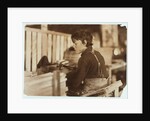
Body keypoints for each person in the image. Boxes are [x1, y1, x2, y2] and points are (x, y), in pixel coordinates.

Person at [66, 30, 109, 96]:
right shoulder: (97, 53)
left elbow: (77, 82)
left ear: (85, 42)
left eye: (76, 43)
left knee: (69, 90)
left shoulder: (84, 58)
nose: (73, 46)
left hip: (93, 91)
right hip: (103, 87)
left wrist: (66, 80)